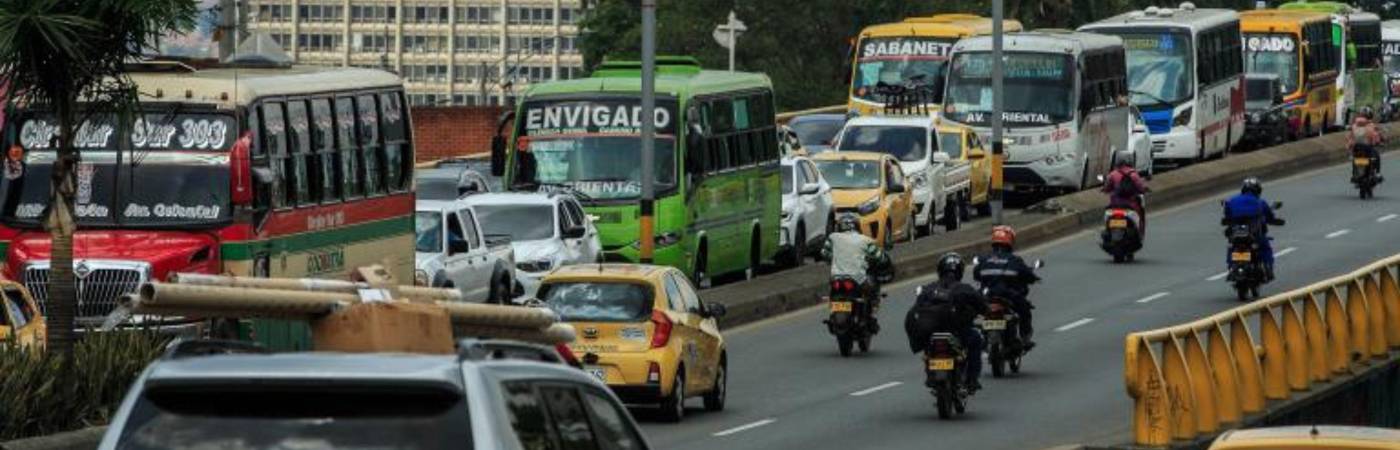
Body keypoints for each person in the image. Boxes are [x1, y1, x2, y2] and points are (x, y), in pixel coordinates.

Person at [905, 252, 988, 392]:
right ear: (960, 271)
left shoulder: (928, 288)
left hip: (931, 332)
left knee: (927, 343)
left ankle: (930, 372)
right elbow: (982, 306)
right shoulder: (964, 288)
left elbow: (917, 309)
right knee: (976, 340)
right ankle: (972, 379)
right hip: (955, 332)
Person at [973, 225, 1041, 350]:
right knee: (1025, 310)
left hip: (987, 296)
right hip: (1008, 296)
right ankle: (1025, 339)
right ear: (1010, 241)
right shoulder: (1014, 260)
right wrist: (1034, 278)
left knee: (970, 311)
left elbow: (976, 274)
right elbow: (1027, 275)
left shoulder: (984, 259)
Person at [822, 214, 889, 320]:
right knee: (872, 292)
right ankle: (873, 309)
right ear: (857, 226)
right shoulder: (865, 240)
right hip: (857, 278)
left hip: (836, 278)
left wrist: (835, 257)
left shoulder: (833, 237)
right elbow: (878, 256)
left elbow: (825, 253)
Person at [1222, 177, 1285, 281]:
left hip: (1236, 235)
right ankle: (1268, 269)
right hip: (1253, 235)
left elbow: (1227, 216)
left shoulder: (1232, 200)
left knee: (1232, 247)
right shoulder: (1260, 202)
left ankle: (1231, 268)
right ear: (1257, 190)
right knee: (1265, 247)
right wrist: (1274, 220)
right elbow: (1270, 216)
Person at [1102, 154, 1150, 238]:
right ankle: (1141, 233)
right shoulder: (1133, 174)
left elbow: (1106, 188)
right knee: (1141, 212)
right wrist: (1145, 189)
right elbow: (1140, 187)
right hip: (1131, 204)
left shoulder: (1113, 174)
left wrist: (1105, 190)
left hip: (1115, 204)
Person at [1347, 107, 1384, 182]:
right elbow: (1375, 136)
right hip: (1368, 148)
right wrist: (1379, 142)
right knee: (1376, 155)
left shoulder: (1354, 125)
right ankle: (1377, 173)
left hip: (1356, 148)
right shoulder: (1371, 125)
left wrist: (1350, 145)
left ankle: (1354, 174)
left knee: (1354, 158)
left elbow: (1350, 137)